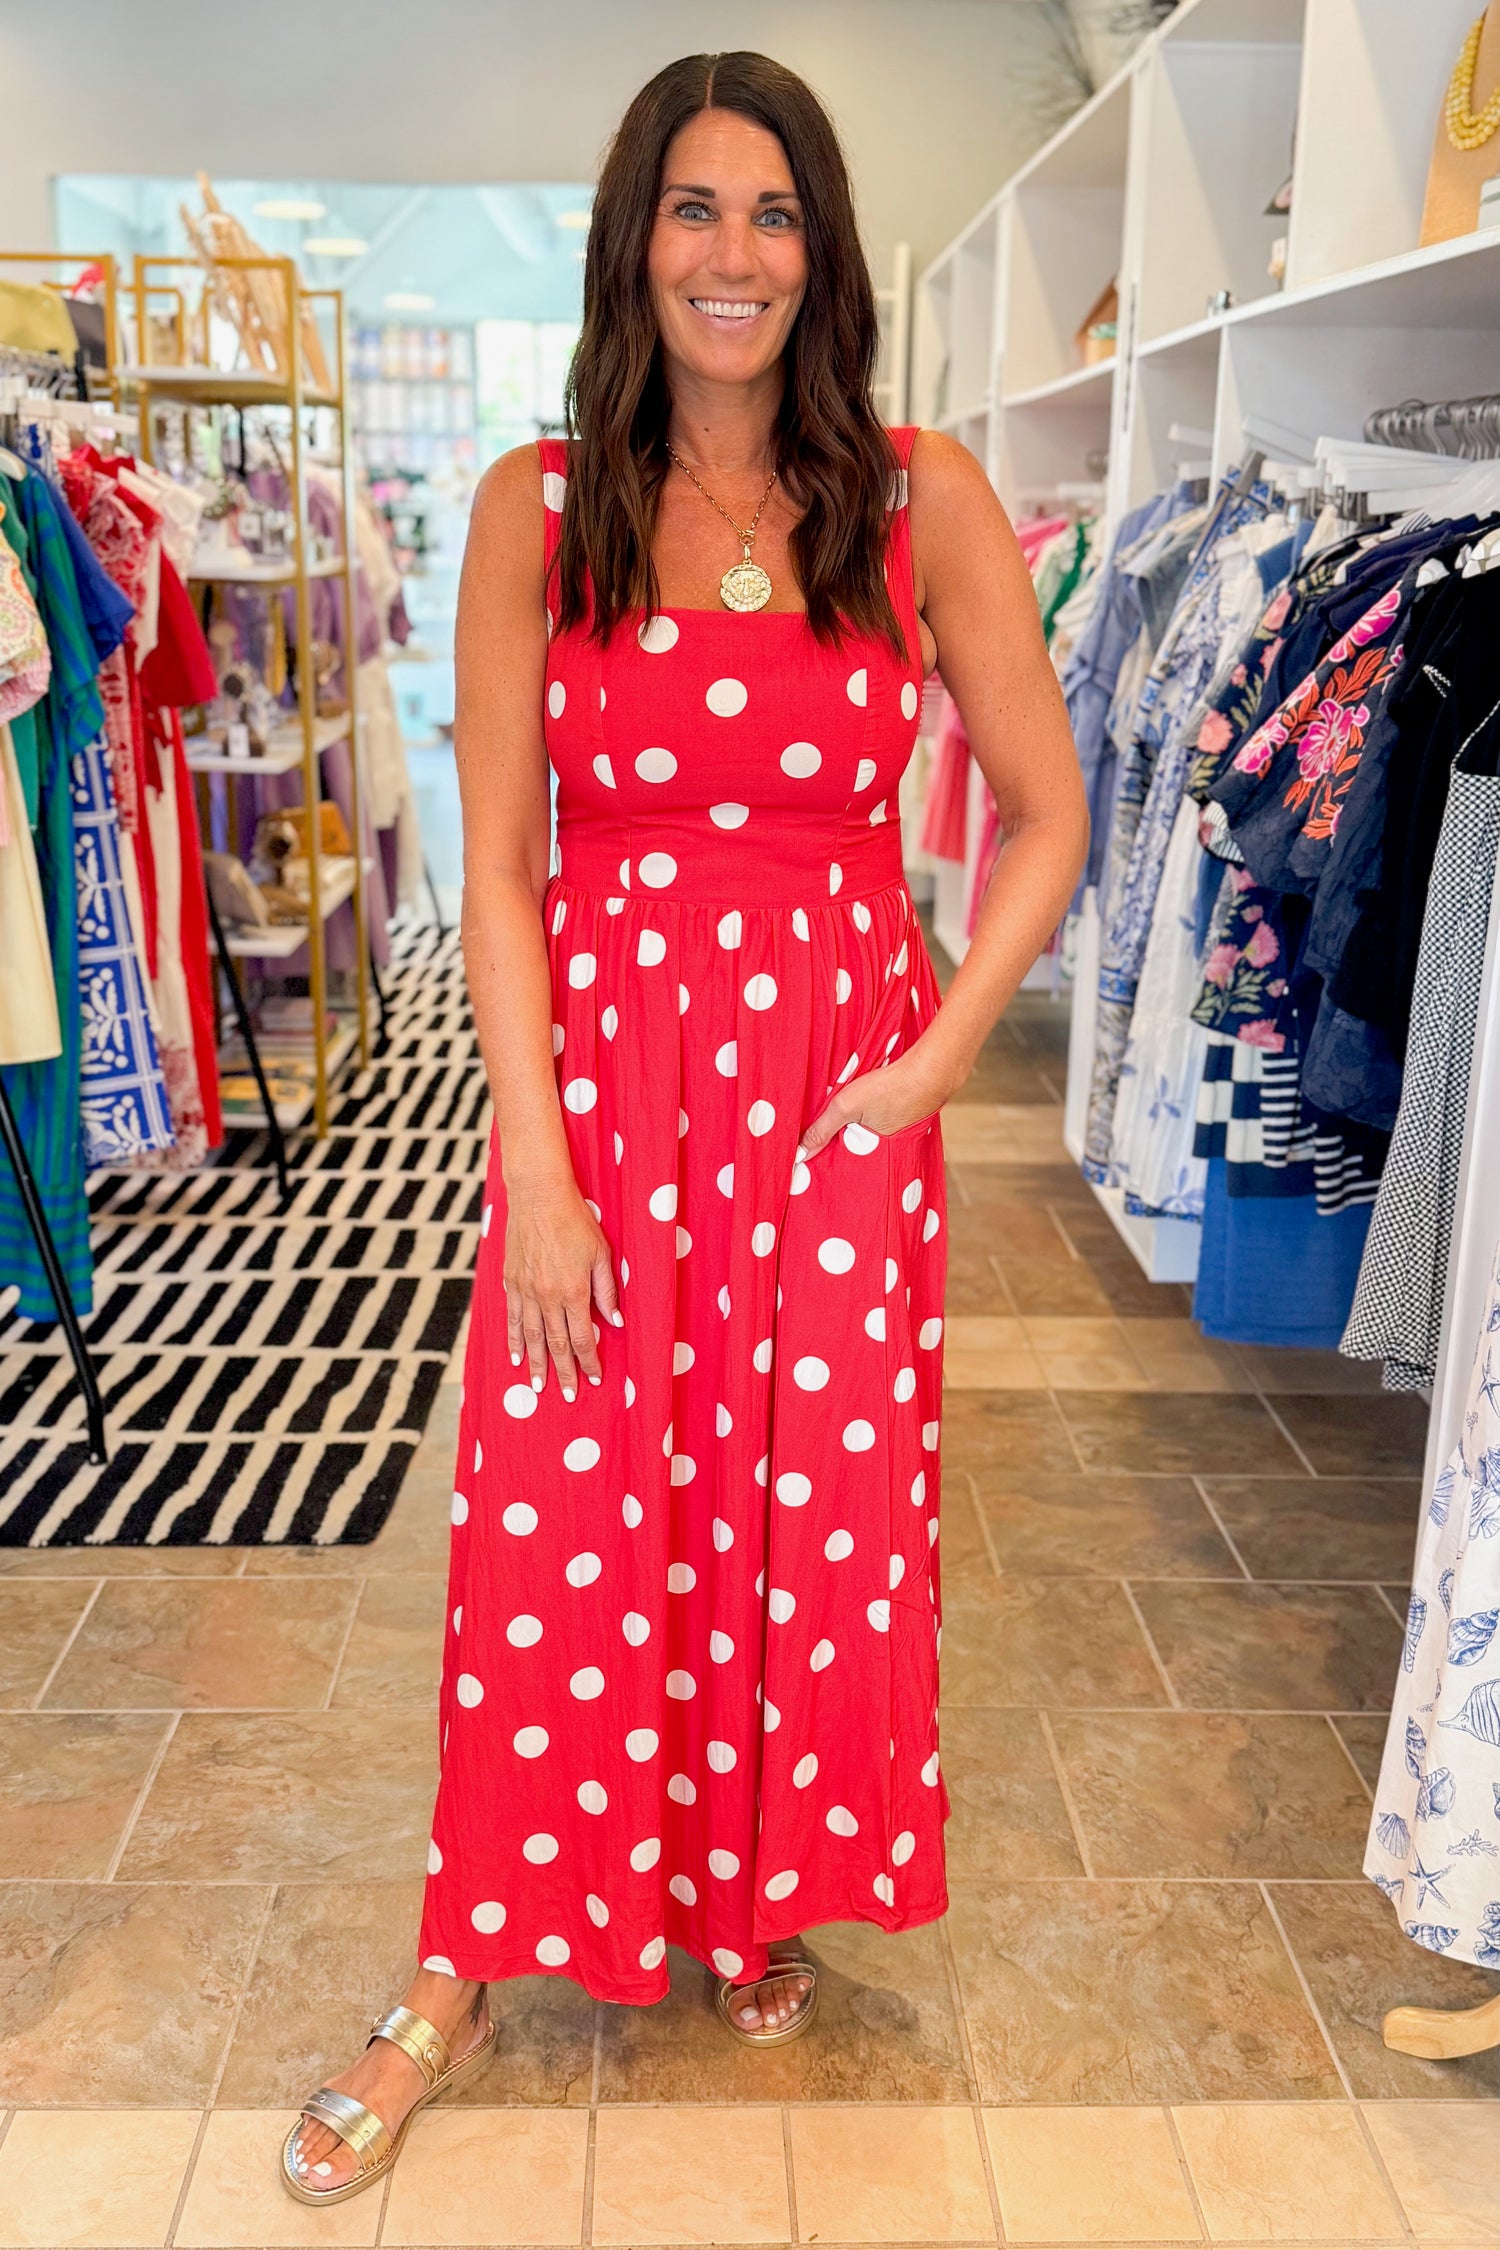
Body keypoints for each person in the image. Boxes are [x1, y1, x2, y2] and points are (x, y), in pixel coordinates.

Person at [282, 47, 1087, 2207]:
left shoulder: (919, 497)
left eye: (777, 215)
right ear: (635, 239)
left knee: (801, 1512)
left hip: (839, 1095)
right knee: (562, 1506)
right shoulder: (541, 505)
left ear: (821, 255)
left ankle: (750, 1893)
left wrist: (934, 1063)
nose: (736, 256)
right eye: (697, 210)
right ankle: (467, 1955)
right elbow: (514, 870)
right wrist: (533, 1165)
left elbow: (1049, 808)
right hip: (610, 1093)